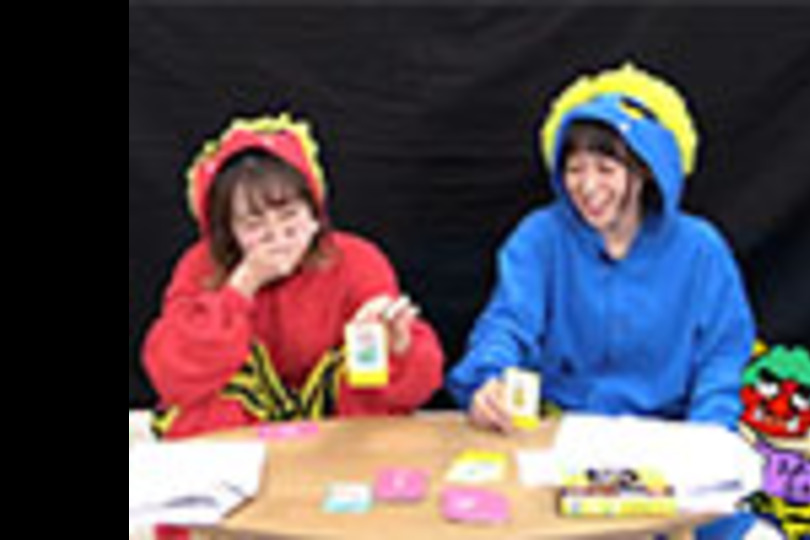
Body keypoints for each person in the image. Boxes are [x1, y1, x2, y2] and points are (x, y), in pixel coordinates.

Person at [447, 63, 757, 537]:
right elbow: (507, 323)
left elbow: (724, 352)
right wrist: (489, 380)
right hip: (562, 442)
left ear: (645, 171)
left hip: (673, 440)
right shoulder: (539, 237)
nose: (587, 186)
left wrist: (707, 437)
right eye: (574, 169)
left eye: (606, 169)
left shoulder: (701, 249)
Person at [144, 114, 445, 440]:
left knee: (370, 391)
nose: (276, 234)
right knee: (202, 403)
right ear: (228, 231)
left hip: (334, 425)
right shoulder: (202, 266)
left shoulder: (357, 259)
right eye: (254, 223)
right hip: (242, 430)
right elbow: (171, 375)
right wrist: (242, 285)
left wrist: (397, 347)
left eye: (289, 216)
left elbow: (411, 385)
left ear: (315, 215)